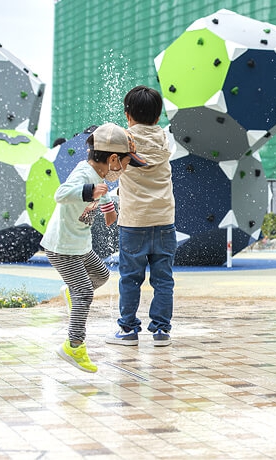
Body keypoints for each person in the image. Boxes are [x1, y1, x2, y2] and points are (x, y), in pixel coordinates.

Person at [41, 123, 145, 372]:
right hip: (62, 246)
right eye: (126, 162)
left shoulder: (97, 176)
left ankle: (71, 294)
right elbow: (61, 193)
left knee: (101, 275)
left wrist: (109, 209)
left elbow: (103, 192)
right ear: (112, 160)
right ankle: (73, 346)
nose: (126, 168)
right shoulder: (83, 174)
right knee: (85, 291)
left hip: (79, 244)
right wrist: (88, 192)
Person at [105, 85, 177, 347]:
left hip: (134, 222)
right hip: (164, 221)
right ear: (158, 118)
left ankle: (128, 329)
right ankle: (161, 330)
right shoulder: (163, 139)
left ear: (128, 115)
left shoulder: (124, 141)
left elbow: (111, 173)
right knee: (163, 279)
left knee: (130, 278)